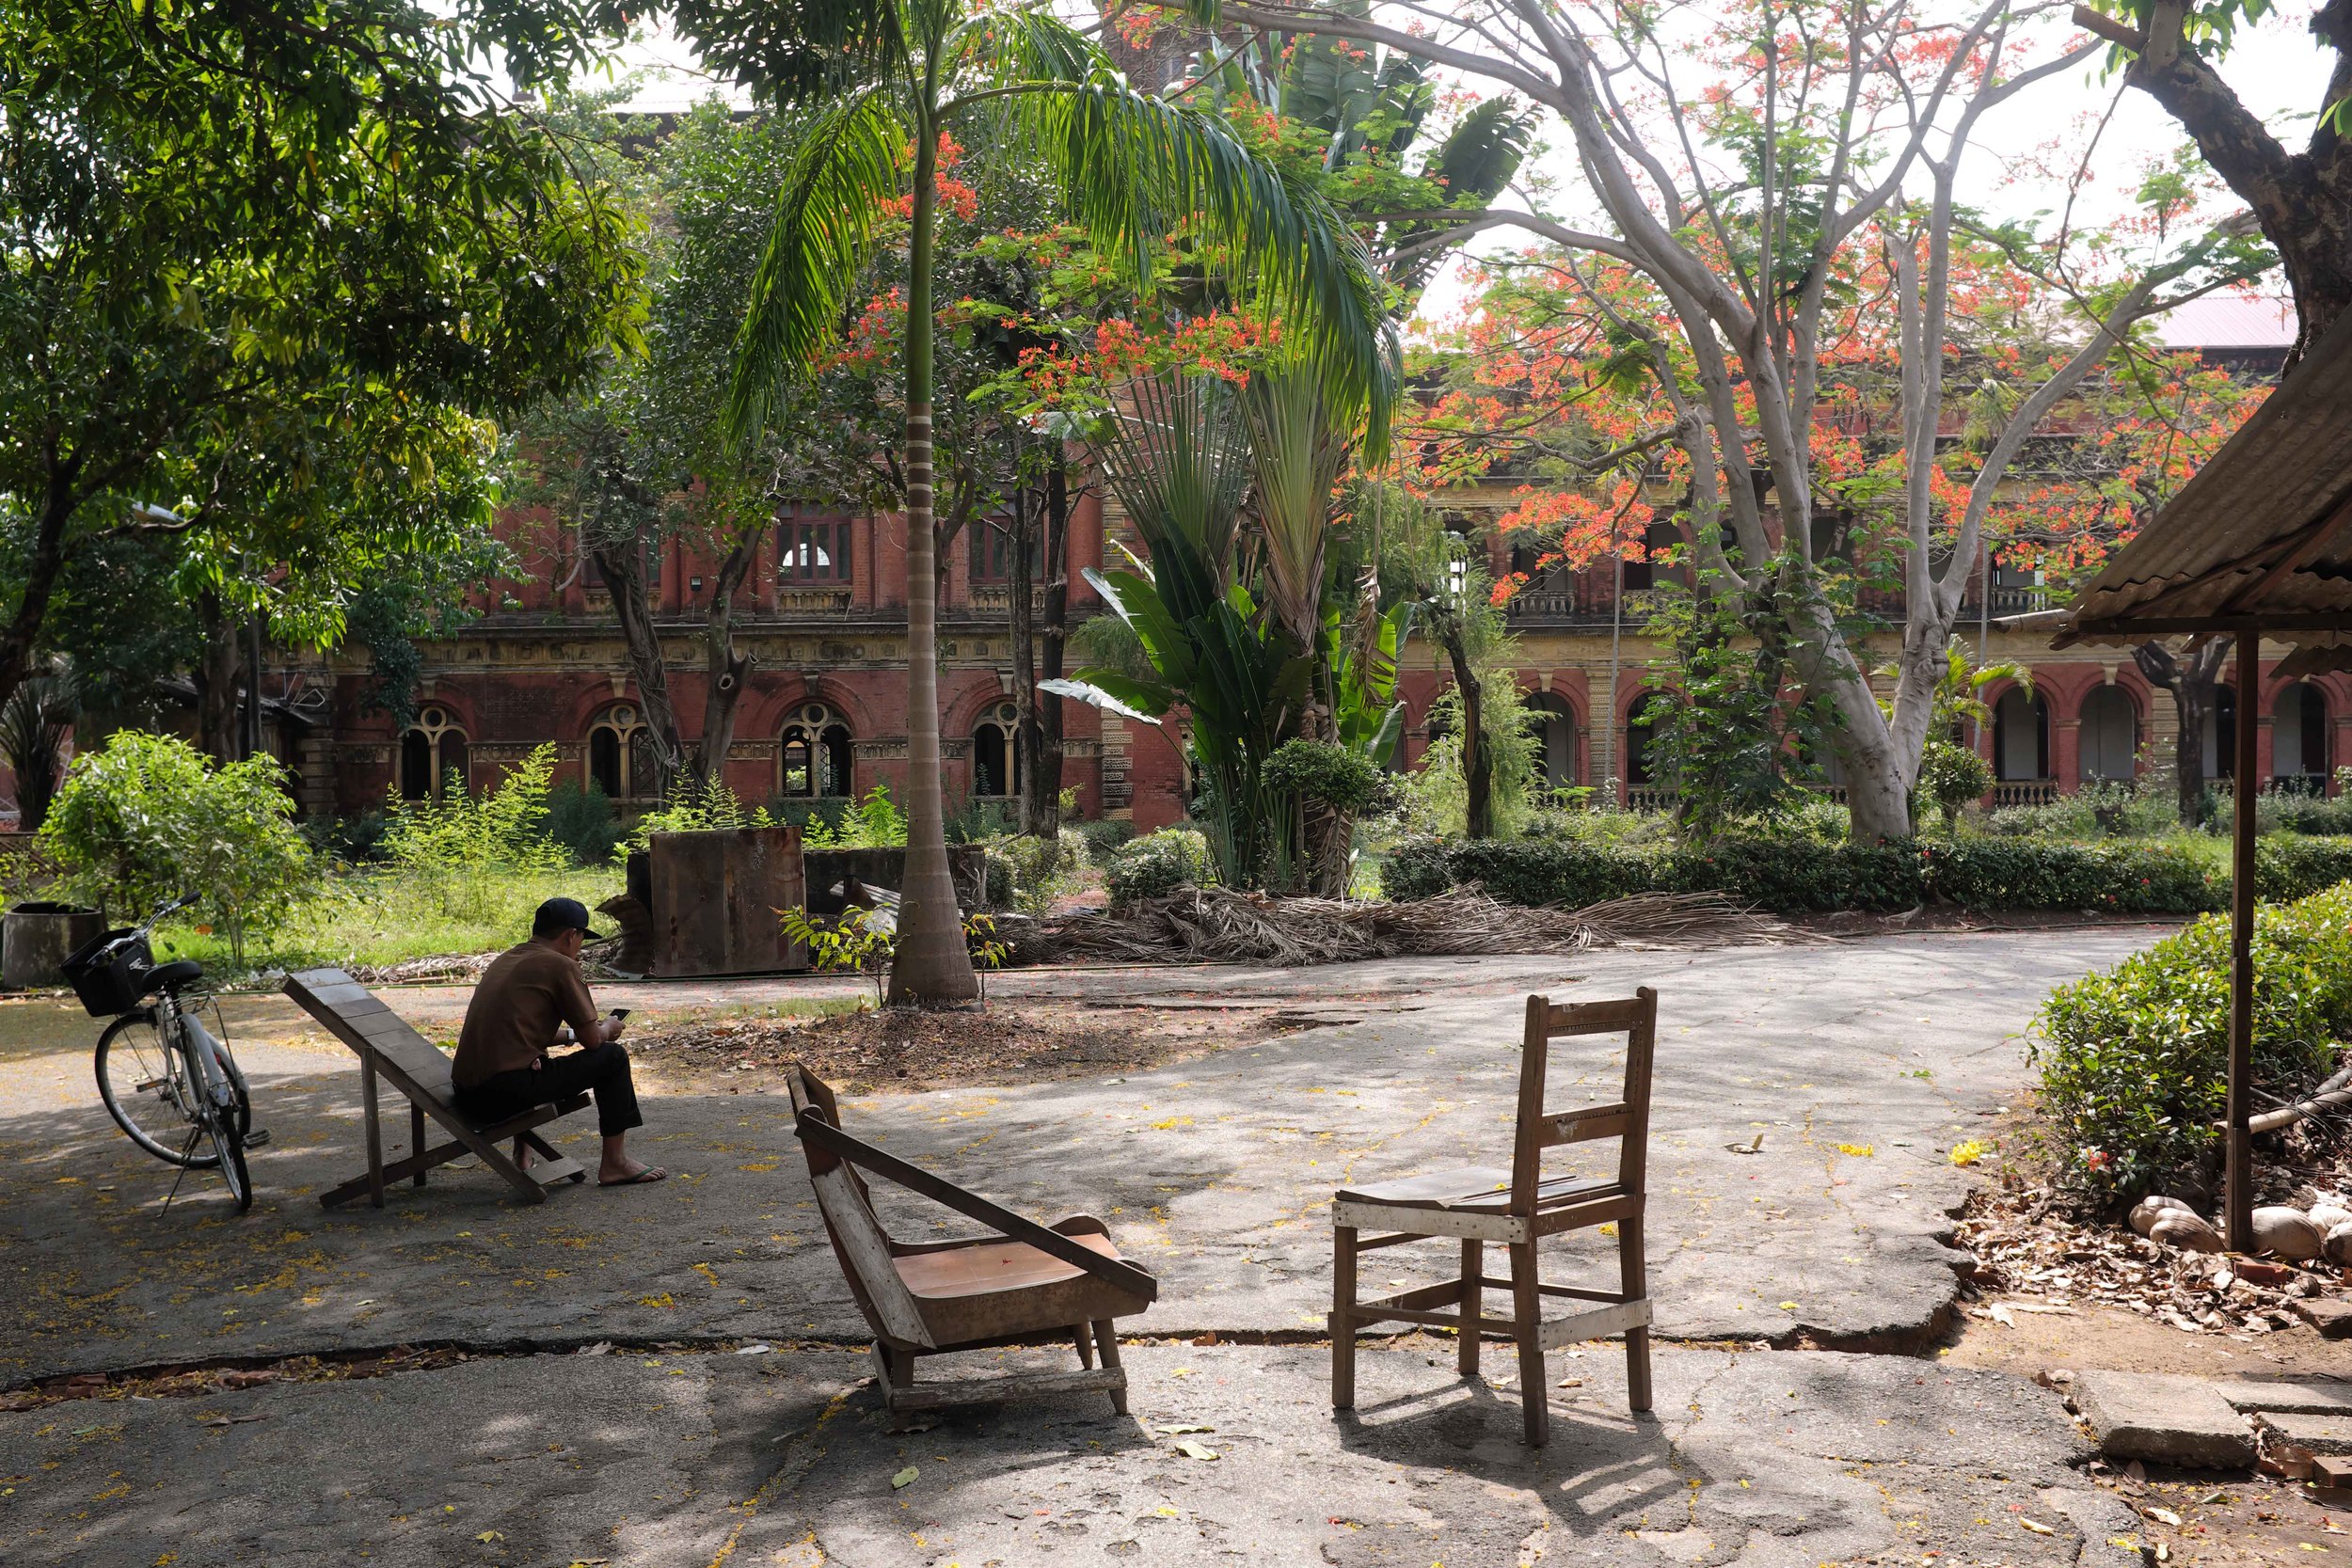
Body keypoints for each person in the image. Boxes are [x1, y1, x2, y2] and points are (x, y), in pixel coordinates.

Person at [452, 896, 665, 1187]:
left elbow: (519, 1030)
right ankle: (615, 1163)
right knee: (612, 1058)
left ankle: (522, 1155)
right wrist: (608, 1026)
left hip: (469, 1092)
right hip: (501, 1095)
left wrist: (570, 1036)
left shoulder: (508, 959)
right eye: (580, 939)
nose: (578, 948)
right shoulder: (560, 965)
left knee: (536, 1061)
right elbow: (594, 1041)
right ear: (570, 936)